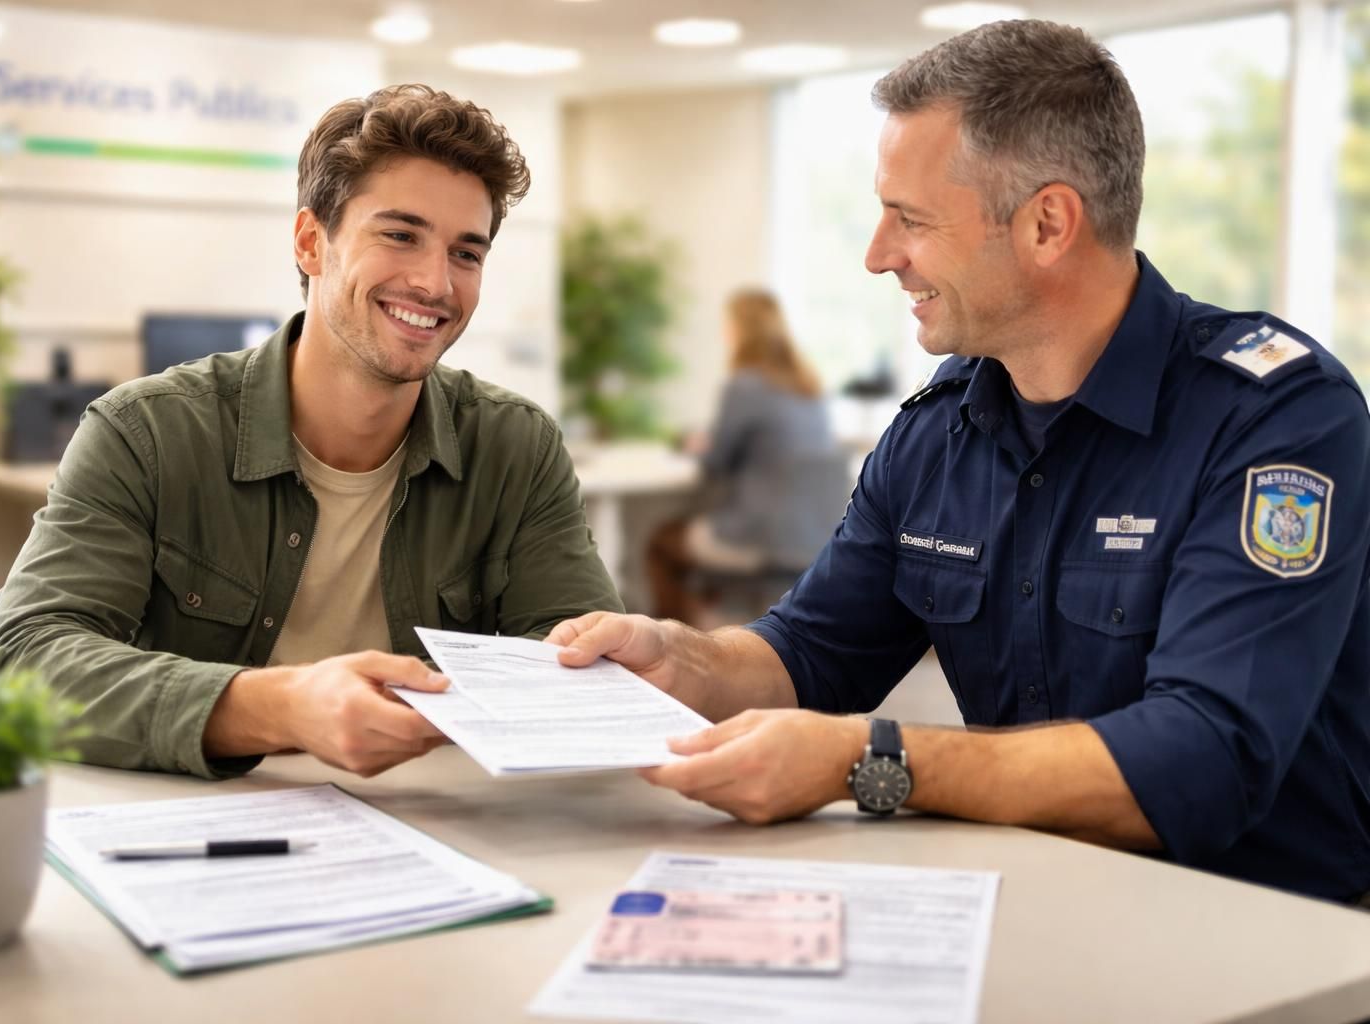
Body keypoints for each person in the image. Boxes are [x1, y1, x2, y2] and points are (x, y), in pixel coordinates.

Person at [549, 20, 1370, 905]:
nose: (877, 255)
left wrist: (876, 762)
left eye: (910, 219)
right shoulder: (941, 425)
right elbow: (814, 651)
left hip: (1267, 930)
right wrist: (683, 661)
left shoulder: (1274, 415)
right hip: (1032, 900)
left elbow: (1208, 756)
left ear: (1048, 223)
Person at [0, 85, 622, 781]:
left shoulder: (517, 449)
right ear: (312, 242)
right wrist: (278, 707)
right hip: (197, 833)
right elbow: (23, 657)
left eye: (466, 254)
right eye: (400, 235)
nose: (436, 283)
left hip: (449, 830)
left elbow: (582, 671)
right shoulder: (146, 434)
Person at [647, 288, 838, 624]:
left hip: (757, 537)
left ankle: (679, 648)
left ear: (739, 331)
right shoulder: (811, 389)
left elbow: (715, 465)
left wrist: (702, 446)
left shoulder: (744, 386)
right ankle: (715, 619)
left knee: (663, 544)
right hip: (811, 536)